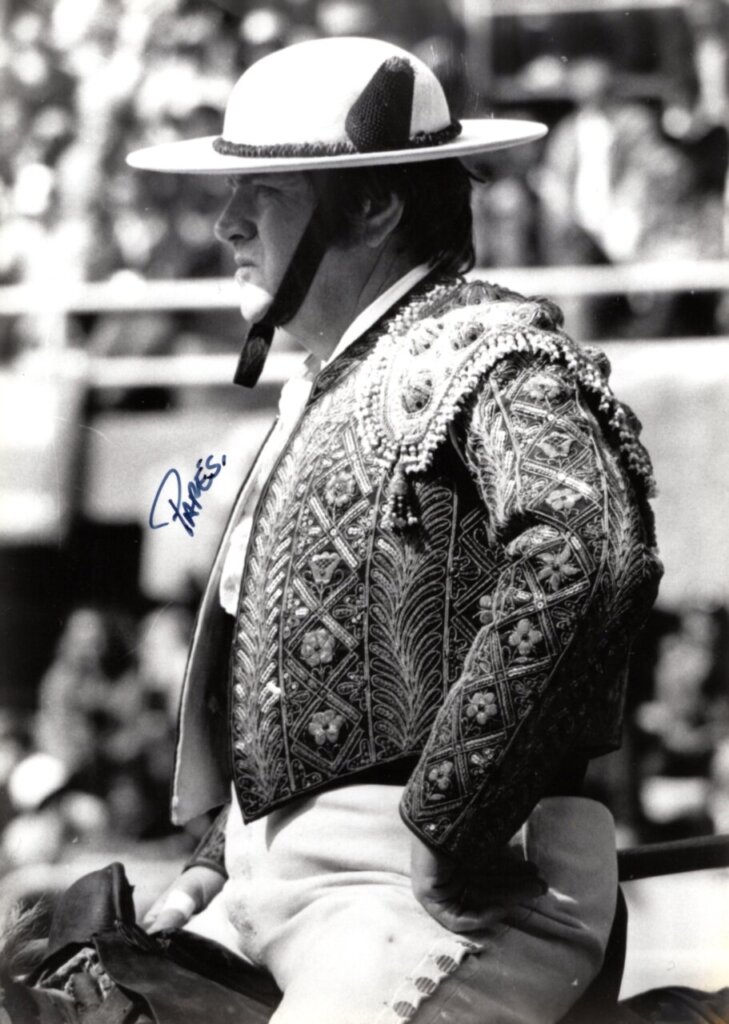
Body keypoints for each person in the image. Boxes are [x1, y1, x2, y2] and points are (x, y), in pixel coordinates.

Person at [4, 36, 662, 1024]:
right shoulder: (320, 385)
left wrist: (450, 820)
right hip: (267, 897)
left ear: (375, 205)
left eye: (265, 193)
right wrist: (223, 855)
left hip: (439, 897)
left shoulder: (497, 355)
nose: (226, 222)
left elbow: (589, 553)